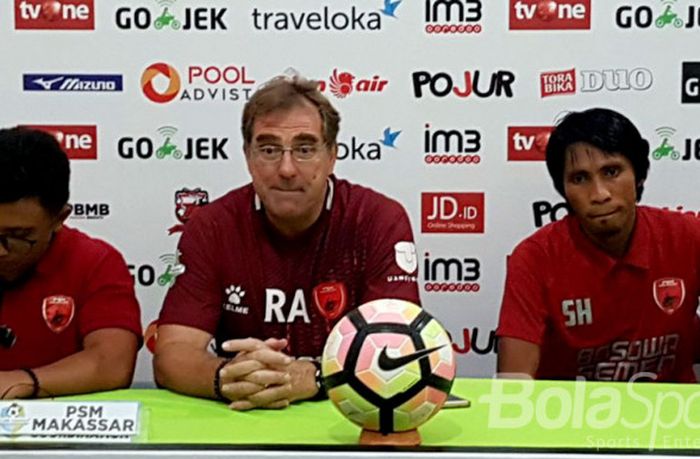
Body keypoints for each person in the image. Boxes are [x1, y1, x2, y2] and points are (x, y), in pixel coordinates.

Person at [154, 74, 420, 410]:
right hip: (243, 419)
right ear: (247, 156)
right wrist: (227, 377)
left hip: (346, 421)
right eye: (268, 149)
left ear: (332, 156)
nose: (286, 168)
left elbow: (397, 351)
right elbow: (172, 354)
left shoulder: (377, 219)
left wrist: (316, 378)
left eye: (305, 149)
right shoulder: (213, 226)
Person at [496, 108, 699, 382]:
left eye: (611, 172)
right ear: (563, 190)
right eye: (580, 179)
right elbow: (513, 384)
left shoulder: (689, 236)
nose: (599, 194)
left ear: (639, 175)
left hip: (671, 417)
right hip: (567, 419)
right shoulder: (534, 258)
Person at [0, 127, 142, 399]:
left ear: (59, 218)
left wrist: (18, 383)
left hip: (57, 433)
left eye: (18, 237)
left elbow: (111, 365)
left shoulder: (95, 263)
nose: (1, 252)